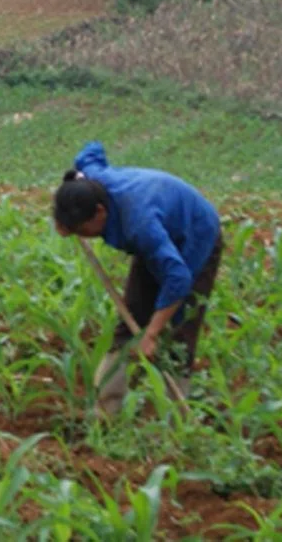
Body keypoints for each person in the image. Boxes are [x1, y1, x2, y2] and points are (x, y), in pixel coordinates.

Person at [53, 140, 223, 413]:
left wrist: (152, 334)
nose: (75, 234)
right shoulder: (93, 180)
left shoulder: (140, 224)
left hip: (195, 235)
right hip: (161, 225)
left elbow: (178, 278)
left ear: (100, 212)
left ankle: (175, 421)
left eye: (80, 228)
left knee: (179, 329)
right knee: (130, 320)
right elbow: (91, 150)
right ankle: (105, 412)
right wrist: (73, 181)